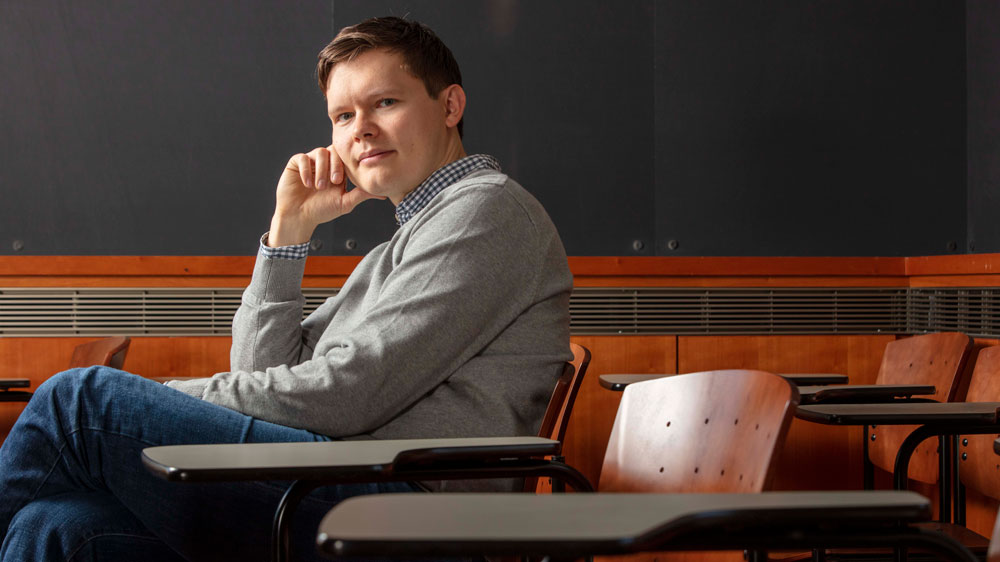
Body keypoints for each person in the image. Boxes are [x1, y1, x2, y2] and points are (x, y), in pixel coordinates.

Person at [0, 16, 571, 562]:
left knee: (79, 402)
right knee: (54, 528)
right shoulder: (395, 251)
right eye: (342, 115)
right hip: (347, 489)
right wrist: (288, 232)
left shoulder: (485, 211)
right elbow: (260, 372)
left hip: (408, 513)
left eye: (385, 103)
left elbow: (348, 393)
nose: (361, 129)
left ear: (450, 105)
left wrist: (168, 396)